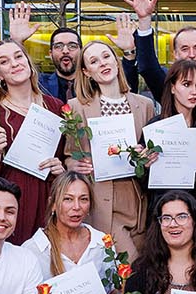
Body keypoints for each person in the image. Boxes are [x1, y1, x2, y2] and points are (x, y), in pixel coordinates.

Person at [0, 40, 69, 246]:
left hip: (49, 198)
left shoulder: (56, 107)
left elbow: (66, 159)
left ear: (27, 61)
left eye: (18, 56)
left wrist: (60, 168)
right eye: (4, 61)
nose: (15, 63)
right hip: (15, 203)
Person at [66, 39, 157, 252]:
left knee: (138, 271)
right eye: (94, 61)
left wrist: (146, 154)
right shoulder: (77, 108)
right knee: (129, 264)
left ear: (116, 62)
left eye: (106, 57)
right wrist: (74, 165)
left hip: (138, 199)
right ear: (87, 72)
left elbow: (151, 151)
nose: (103, 64)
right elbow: (69, 156)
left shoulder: (144, 105)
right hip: (103, 199)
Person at [148, 58, 196, 239]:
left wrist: (195, 177)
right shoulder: (156, 126)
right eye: (186, 84)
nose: (194, 91)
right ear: (173, 87)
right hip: (165, 210)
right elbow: (144, 180)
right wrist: (145, 163)